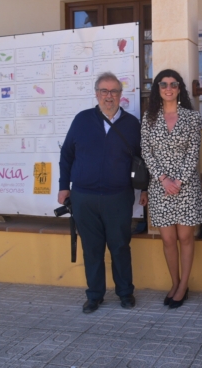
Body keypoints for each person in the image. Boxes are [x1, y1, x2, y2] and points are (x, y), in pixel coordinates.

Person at [58, 72, 148, 313]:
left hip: (118, 197)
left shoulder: (131, 124)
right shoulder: (82, 120)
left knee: (120, 246)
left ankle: (125, 293)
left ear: (121, 95)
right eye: (104, 91)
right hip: (84, 197)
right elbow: (66, 154)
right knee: (92, 248)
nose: (109, 96)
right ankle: (95, 295)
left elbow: (143, 159)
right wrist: (63, 186)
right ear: (97, 93)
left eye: (114, 91)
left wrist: (145, 188)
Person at [141, 69, 202, 309]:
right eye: (164, 84)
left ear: (179, 88)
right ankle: (175, 282)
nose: (169, 88)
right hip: (160, 187)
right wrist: (163, 179)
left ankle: (184, 285)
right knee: (167, 239)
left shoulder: (192, 117)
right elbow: (146, 152)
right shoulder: (149, 118)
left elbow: (194, 151)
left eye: (173, 84)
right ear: (158, 89)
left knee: (185, 237)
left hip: (185, 187)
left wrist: (178, 181)